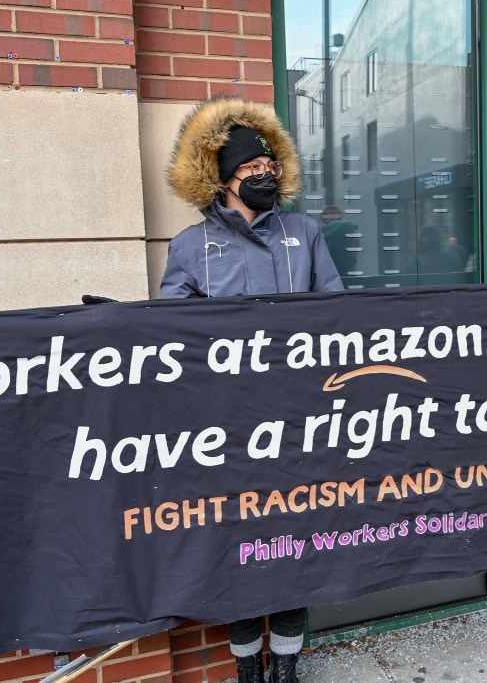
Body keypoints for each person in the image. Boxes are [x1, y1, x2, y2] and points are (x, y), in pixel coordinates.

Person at [161, 96, 343, 682]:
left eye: (271, 168)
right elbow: (171, 335)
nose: (266, 177)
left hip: (297, 418)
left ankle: (286, 664)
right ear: (223, 178)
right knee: (236, 545)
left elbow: (338, 315)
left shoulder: (305, 234)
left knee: (292, 540)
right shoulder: (190, 247)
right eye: (252, 171)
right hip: (228, 425)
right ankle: (247, 666)